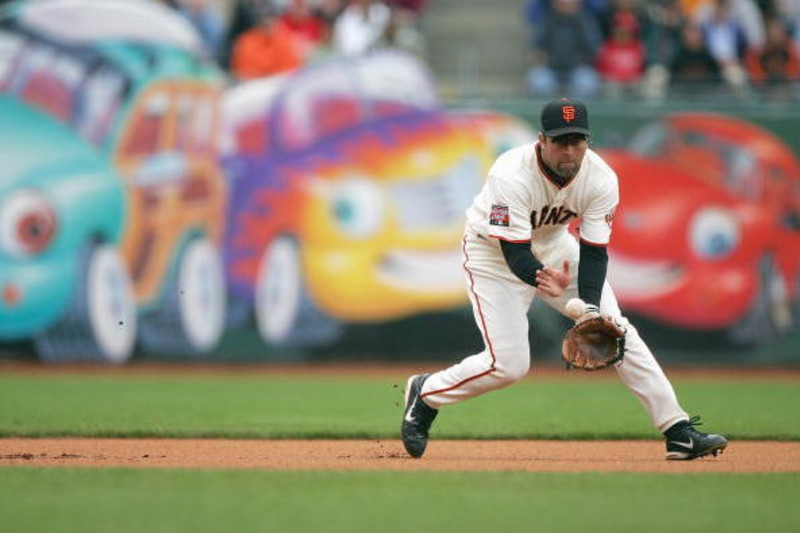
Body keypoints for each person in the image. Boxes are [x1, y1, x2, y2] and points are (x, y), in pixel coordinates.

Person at [400, 98, 729, 462]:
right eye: (561, 141)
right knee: (509, 365)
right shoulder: (510, 173)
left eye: (577, 140)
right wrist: (541, 278)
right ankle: (426, 392)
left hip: (557, 248)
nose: (570, 150)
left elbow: (594, 252)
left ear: (588, 140)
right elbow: (516, 253)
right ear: (542, 140)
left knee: (615, 327)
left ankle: (678, 431)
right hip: (492, 256)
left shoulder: (601, 178)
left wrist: (589, 309)